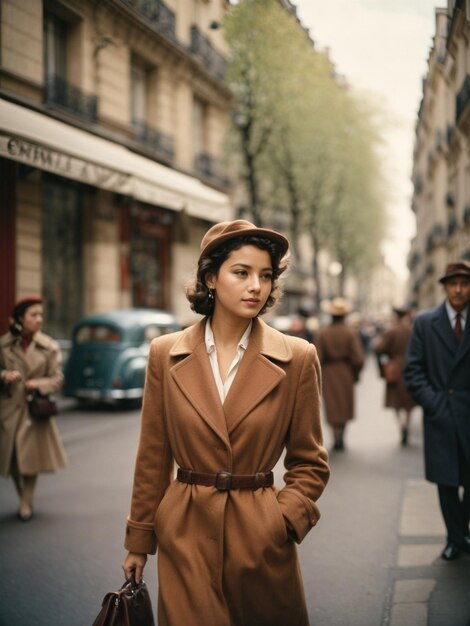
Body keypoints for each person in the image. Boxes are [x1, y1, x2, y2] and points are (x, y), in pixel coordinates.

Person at [122, 219, 330, 626]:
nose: (257, 285)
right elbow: (153, 456)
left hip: (260, 538)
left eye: (266, 275)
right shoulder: (165, 354)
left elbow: (310, 463)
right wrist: (139, 541)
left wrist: (281, 520)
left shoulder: (298, 357)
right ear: (210, 278)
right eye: (242, 272)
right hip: (185, 532)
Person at [404, 260, 470, 561]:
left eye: (464, 283)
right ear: (444, 287)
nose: (458, 289)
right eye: (453, 283)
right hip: (441, 415)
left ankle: (461, 535)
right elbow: (413, 371)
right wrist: (434, 404)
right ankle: (455, 539)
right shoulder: (424, 322)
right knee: (446, 482)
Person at [0, 296, 68, 521]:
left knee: (29, 458)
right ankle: (24, 498)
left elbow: (57, 379)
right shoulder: (4, 344)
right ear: (21, 318)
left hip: (35, 410)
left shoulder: (48, 347)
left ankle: (25, 503)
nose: (39, 319)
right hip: (10, 409)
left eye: (41, 315)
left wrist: (38, 384)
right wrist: (4, 376)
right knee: (14, 460)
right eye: (33, 315)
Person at [315, 298, 364, 451]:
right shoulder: (350, 333)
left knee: (332, 406)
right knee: (344, 405)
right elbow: (358, 358)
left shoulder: (323, 333)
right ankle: (341, 435)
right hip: (345, 372)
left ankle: (335, 435)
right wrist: (355, 374)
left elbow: (316, 357)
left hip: (329, 373)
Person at [373, 306, 416, 446]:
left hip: (395, 368)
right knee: (409, 400)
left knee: (396, 400)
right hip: (411, 367)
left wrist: (383, 364)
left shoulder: (392, 331)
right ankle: (407, 424)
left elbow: (378, 349)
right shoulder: (412, 330)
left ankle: (401, 425)